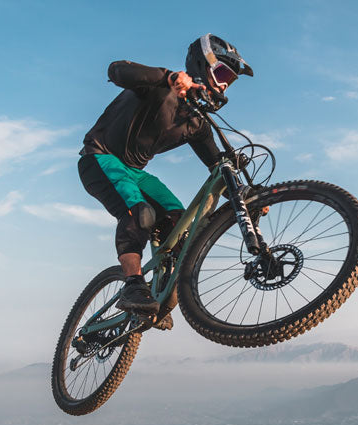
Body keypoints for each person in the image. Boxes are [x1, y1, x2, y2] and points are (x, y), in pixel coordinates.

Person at [78, 34, 254, 320]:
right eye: (222, 74)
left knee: (180, 222)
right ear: (202, 65)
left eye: (230, 81)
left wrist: (246, 198)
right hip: (99, 157)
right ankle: (133, 286)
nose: (223, 85)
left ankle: (160, 291)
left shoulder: (195, 122)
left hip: (135, 172)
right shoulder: (161, 86)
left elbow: (215, 165)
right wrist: (168, 77)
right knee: (141, 213)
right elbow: (116, 70)